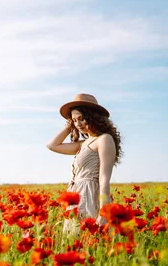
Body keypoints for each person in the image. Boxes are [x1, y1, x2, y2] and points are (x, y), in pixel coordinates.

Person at [46, 93, 123, 235]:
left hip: (90, 194)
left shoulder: (104, 139)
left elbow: (104, 179)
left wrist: (104, 212)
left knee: (90, 240)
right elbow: (52, 145)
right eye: (75, 120)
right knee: (74, 241)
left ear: (94, 117)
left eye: (82, 118)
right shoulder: (82, 144)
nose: (78, 124)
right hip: (75, 195)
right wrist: (70, 126)